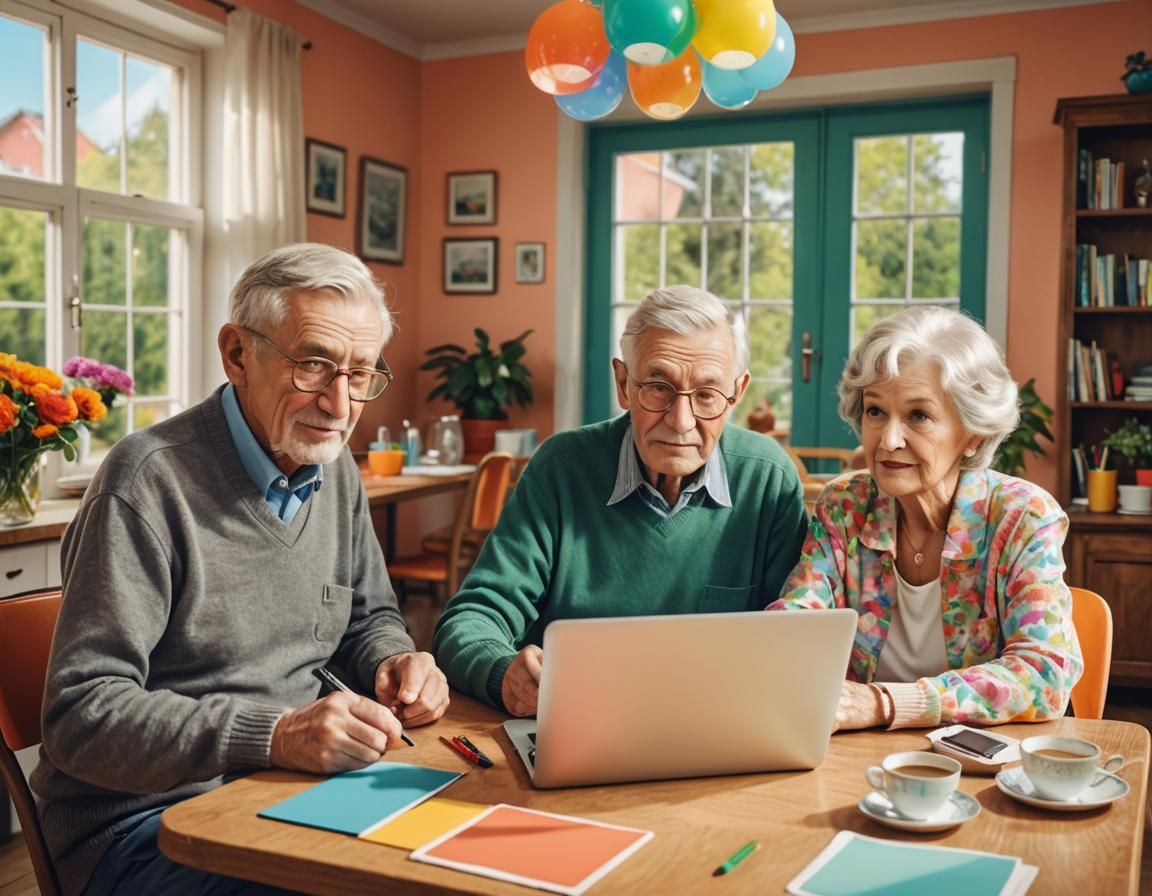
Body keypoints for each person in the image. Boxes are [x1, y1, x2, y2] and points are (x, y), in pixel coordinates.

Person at [32, 243, 449, 896]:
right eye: (314, 365)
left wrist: (393, 661)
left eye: (360, 374)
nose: (340, 405)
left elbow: (369, 617)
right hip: (143, 825)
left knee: (463, 859)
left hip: (296, 792)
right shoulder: (146, 483)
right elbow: (80, 718)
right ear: (236, 354)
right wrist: (274, 736)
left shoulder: (335, 469)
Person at [433, 285, 808, 717]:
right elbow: (471, 618)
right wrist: (502, 673)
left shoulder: (768, 479)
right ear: (624, 383)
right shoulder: (561, 468)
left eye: (706, 395)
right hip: (574, 723)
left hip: (717, 727)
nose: (681, 421)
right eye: (658, 388)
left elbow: (793, 644)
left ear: (736, 394)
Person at [769, 306, 1082, 730]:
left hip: (977, 768)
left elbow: (1046, 673)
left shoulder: (1022, 516)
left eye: (918, 415)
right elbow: (797, 618)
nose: (888, 439)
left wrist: (886, 703)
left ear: (973, 434)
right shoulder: (845, 504)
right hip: (854, 757)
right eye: (876, 411)